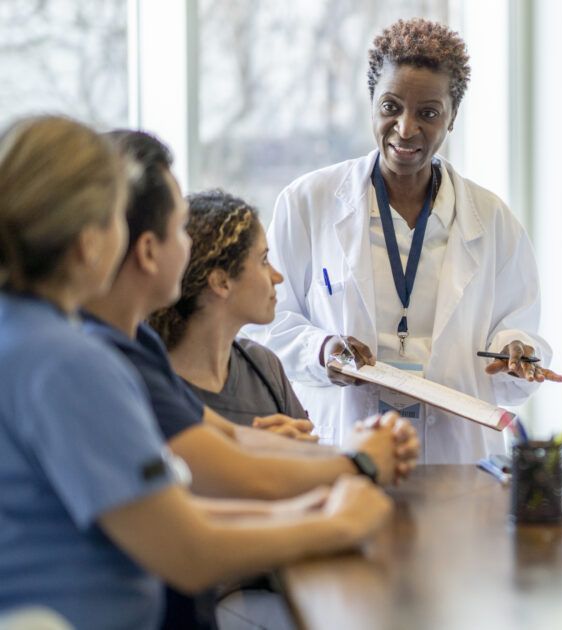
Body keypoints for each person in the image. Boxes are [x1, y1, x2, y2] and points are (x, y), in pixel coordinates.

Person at [0, 115, 391, 629]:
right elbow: (187, 548)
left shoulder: (26, 334)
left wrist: (311, 510)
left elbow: (172, 510)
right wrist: (337, 521)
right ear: (88, 242)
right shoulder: (68, 362)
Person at [248, 18, 562, 460]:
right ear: (372, 104)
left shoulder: (493, 221)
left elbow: (517, 332)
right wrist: (321, 350)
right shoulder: (307, 203)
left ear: (452, 118)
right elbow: (264, 324)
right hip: (344, 442)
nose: (405, 128)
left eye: (428, 113)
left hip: (456, 455)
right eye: (391, 106)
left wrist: (517, 351)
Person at [85, 129, 418, 501]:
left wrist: (288, 448)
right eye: (178, 229)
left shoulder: (140, 348)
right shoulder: (97, 363)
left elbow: (232, 443)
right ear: (146, 249)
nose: (187, 247)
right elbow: (202, 515)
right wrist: (360, 462)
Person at [150, 190, 310, 429]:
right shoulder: (153, 384)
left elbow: (313, 456)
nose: (277, 277)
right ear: (221, 282)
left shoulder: (263, 366)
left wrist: (299, 450)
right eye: (264, 260)